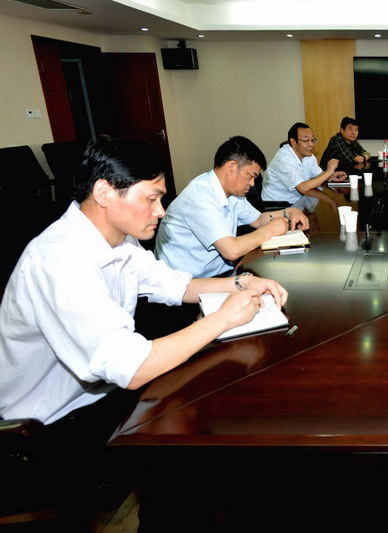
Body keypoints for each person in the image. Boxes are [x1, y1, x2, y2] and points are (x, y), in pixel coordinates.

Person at [0, 139, 289, 524]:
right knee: (192, 455)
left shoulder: (117, 238)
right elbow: (131, 367)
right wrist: (221, 319)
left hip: (97, 393)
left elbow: (175, 284)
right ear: (104, 192)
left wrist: (242, 283)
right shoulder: (59, 260)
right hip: (46, 425)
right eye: (152, 199)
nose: (161, 211)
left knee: (211, 411)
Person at [155, 136, 308, 278]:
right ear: (231, 167)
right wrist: (269, 231)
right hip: (186, 286)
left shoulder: (232, 193)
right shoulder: (199, 197)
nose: (252, 184)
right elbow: (231, 250)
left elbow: (258, 220)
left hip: (220, 274)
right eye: (251, 175)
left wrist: (288, 212)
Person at [262, 122, 346, 205]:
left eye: (312, 140)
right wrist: (328, 173)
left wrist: (331, 176)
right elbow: (302, 188)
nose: (311, 144)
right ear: (293, 142)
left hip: (299, 200)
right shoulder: (284, 159)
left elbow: (318, 175)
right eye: (306, 141)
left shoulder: (308, 155)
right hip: (278, 205)